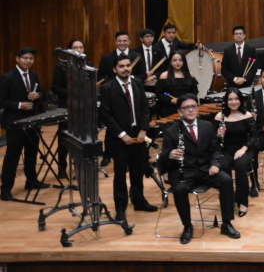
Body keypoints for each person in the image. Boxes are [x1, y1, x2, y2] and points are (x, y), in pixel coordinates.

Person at [159, 95, 239, 243]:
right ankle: (187, 226)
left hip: (205, 170)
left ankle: (227, 223)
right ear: (179, 111)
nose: (190, 109)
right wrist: (170, 155)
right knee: (179, 190)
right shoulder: (171, 131)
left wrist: (215, 164)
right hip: (184, 172)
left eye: (193, 106)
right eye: (186, 107)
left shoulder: (206, 126)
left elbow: (215, 150)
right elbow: (164, 158)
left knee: (226, 180)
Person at [98, 56, 156, 221]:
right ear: (115, 69)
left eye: (128, 65)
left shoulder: (137, 83)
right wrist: (122, 135)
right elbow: (106, 115)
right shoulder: (107, 87)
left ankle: (139, 201)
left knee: (137, 171)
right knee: (120, 174)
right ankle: (120, 207)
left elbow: (145, 108)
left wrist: (144, 129)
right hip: (119, 139)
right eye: (121, 66)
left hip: (138, 135)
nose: (125, 68)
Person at [0, 47, 49, 199]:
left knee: (31, 152)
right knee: (12, 155)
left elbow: (41, 92)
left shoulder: (33, 74)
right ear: (17, 59)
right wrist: (19, 105)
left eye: (31, 58)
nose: (28, 61)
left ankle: (31, 180)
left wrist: (38, 95)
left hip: (32, 120)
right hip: (15, 122)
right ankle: (6, 189)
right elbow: (1, 101)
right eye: (25, 58)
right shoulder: (7, 77)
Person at [215, 88, 257, 218]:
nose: (233, 102)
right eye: (230, 99)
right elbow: (211, 139)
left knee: (240, 166)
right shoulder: (219, 117)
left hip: (244, 149)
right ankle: (229, 199)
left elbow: (254, 137)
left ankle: (242, 201)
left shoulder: (247, 116)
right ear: (226, 101)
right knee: (223, 166)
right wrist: (217, 134)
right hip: (226, 150)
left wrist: (244, 148)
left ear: (240, 100)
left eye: (236, 99)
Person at [51, 39, 85, 180]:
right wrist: (72, 93)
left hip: (83, 108)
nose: (78, 50)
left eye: (80, 47)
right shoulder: (61, 66)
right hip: (66, 107)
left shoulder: (87, 65)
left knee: (81, 139)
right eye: (75, 47)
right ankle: (62, 168)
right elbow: (55, 87)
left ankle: (80, 168)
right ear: (68, 50)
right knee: (64, 140)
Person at [154, 51, 199, 119]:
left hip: (187, 108)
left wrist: (186, 100)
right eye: (174, 60)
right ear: (170, 62)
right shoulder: (164, 75)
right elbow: (158, 94)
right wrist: (170, 100)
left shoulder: (190, 74)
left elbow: (194, 91)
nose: (178, 63)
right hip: (169, 109)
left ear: (184, 61)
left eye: (180, 60)